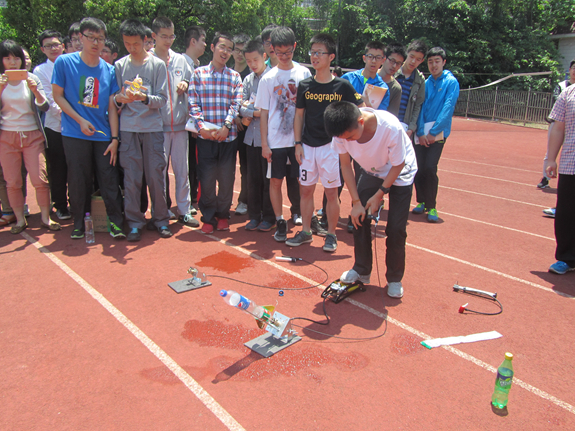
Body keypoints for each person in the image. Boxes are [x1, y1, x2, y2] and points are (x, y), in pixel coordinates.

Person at [325, 101, 417, 298]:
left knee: (395, 228)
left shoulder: (389, 128)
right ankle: (362, 269)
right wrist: (356, 202)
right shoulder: (341, 132)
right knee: (358, 217)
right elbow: (345, 166)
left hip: (400, 172)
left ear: (361, 121)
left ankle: (394, 278)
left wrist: (380, 195)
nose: (347, 141)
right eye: (343, 139)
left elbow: (398, 165)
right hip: (371, 171)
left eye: (350, 137)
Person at [286, 33, 363, 252]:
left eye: (319, 52)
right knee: (305, 192)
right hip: (308, 147)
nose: (314, 56)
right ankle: (306, 232)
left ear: (331, 57)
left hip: (332, 148)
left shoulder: (343, 86)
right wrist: (298, 143)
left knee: (331, 193)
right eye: (312, 52)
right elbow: (299, 115)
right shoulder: (305, 85)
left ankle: (331, 234)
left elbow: (362, 107)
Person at [52, 17, 125, 240]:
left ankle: (115, 222)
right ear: (80, 38)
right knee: (78, 179)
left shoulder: (110, 70)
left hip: (103, 135)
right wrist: (80, 120)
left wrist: (114, 138)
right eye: (90, 38)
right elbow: (58, 96)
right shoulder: (64, 63)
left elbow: (113, 107)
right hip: (74, 133)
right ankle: (79, 223)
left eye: (100, 39)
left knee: (108, 177)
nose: (95, 43)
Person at [114, 18, 170, 241]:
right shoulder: (120, 65)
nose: (131, 48)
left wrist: (144, 97)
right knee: (132, 178)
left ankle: (161, 220)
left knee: (156, 176)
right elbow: (116, 99)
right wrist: (122, 98)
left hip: (152, 128)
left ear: (145, 40)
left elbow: (162, 99)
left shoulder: (157, 65)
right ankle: (135, 222)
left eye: (135, 43)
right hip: (128, 129)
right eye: (127, 43)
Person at [255, 26, 311, 242]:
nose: (285, 57)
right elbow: (264, 113)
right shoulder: (268, 78)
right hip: (276, 141)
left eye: (288, 52)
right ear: (272, 50)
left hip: (299, 141)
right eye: (280, 53)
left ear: (295, 47)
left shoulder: (304, 73)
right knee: (275, 181)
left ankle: (302, 217)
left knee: (301, 181)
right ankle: (279, 219)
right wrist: (264, 144)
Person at [0, 40, 60, 233]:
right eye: (7, 58)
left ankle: (45, 217)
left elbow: (44, 106)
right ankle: (19, 220)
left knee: (39, 178)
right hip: (7, 137)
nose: (12, 62)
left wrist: (35, 90)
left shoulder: (31, 78)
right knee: (13, 181)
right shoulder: (0, 81)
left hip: (32, 135)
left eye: (16, 58)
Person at [188, 32, 243, 234]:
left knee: (227, 179)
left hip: (228, 138)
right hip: (206, 138)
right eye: (222, 47)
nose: (226, 52)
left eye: (230, 49)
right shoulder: (198, 74)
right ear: (212, 47)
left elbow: (236, 103)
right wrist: (201, 128)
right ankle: (208, 217)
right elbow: (193, 103)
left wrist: (226, 126)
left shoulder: (235, 77)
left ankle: (223, 215)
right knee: (208, 179)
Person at [150, 16, 198, 228]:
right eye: (164, 36)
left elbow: (192, 81)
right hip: (155, 127)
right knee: (158, 171)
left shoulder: (180, 60)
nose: (168, 40)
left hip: (179, 126)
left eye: (172, 36)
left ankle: (184, 210)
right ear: (153, 36)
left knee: (182, 170)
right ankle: (160, 211)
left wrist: (186, 83)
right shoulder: (148, 61)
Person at [413, 47, 459, 222]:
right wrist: (421, 131)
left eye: (437, 61)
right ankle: (422, 201)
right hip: (422, 133)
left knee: (430, 168)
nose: (433, 65)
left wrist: (433, 133)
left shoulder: (450, 82)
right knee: (419, 167)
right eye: (430, 61)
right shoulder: (425, 82)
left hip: (438, 134)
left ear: (444, 62)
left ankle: (432, 206)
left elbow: (448, 109)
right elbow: (421, 107)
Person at [34, 29, 71, 221]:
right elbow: (48, 100)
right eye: (48, 46)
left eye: (56, 44)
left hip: (75, 127)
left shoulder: (73, 64)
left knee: (75, 167)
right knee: (57, 168)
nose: (53, 48)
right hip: (55, 126)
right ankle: (60, 206)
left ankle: (77, 202)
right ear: (42, 49)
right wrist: (71, 113)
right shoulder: (40, 71)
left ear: (63, 46)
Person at [240, 39, 275, 232]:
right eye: (248, 61)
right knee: (252, 179)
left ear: (264, 56)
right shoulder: (247, 80)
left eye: (255, 59)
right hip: (251, 139)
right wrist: (256, 112)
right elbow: (240, 106)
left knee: (268, 180)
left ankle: (269, 217)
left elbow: (273, 110)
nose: (252, 64)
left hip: (269, 139)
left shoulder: (272, 78)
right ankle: (254, 216)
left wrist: (251, 110)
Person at [545, 84, 575, 274]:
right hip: (570, 163)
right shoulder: (569, 93)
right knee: (566, 213)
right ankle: (567, 258)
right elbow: (558, 127)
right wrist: (551, 158)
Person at [538, 59, 575, 190]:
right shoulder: (563, 88)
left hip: (570, 126)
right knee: (551, 151)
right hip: (560, 122)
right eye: (573, 68)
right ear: (569, 70)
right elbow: (556, 101)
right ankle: (545, 177)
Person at [182, 25, 206, 209]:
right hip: (184, 125)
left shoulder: (195, 65)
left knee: (193, 162)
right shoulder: (181, 64)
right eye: (203, 40)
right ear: (193, 41)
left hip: (192, 125)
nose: (205, 44)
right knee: (188, 164)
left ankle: (192, 198)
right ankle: (189, 199)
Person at [232, 33, 251, 216]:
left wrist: (242, 117)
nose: (239, 54)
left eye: (242, 50)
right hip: (229, 128)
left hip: (247, 130)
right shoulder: (227, 72)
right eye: (236, 49)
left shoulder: (251, 76)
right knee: (227, 167)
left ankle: (244, 200)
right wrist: (234, 117)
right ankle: (224, 199)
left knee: (246, 167)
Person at [341, 41, 390, 111]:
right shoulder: (348, 78)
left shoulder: (383, 88)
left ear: (383, 60)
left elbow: (380, 117)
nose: (373, 61)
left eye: (378, 58)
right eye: (370, 56)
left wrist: (367, 106)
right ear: (364, 58)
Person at [395, 39, 427, 140]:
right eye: (411, 56)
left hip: (404, 126)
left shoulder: (420, 80)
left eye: (418, 59)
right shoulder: (393, 71)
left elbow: (417, 105)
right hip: (387, 122)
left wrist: (411, 128)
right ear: (407, 54)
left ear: (422, 60)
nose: (413, 61)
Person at [378, 43, 406, 118]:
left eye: (398, 63)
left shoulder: (396, 88)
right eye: (392, 61)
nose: (394, 66)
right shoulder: (368, 76)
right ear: (384, 58)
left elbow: (391, 117)